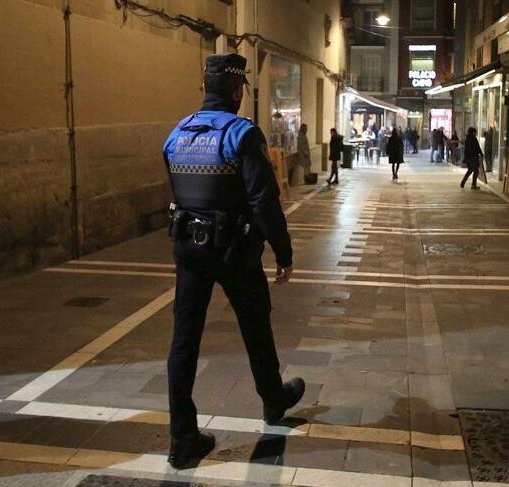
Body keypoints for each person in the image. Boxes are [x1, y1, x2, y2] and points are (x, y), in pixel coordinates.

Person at [162, 53, 304, 470]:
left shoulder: (177, 134)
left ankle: (182, 438)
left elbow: (175, 192)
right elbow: (264, 200)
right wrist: (284, 253)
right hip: (233, 251)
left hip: (188, 247)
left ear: (205, 87)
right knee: (256, 324)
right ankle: (272, 400)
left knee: (184, 339)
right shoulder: (242, 134)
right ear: (239, 90)